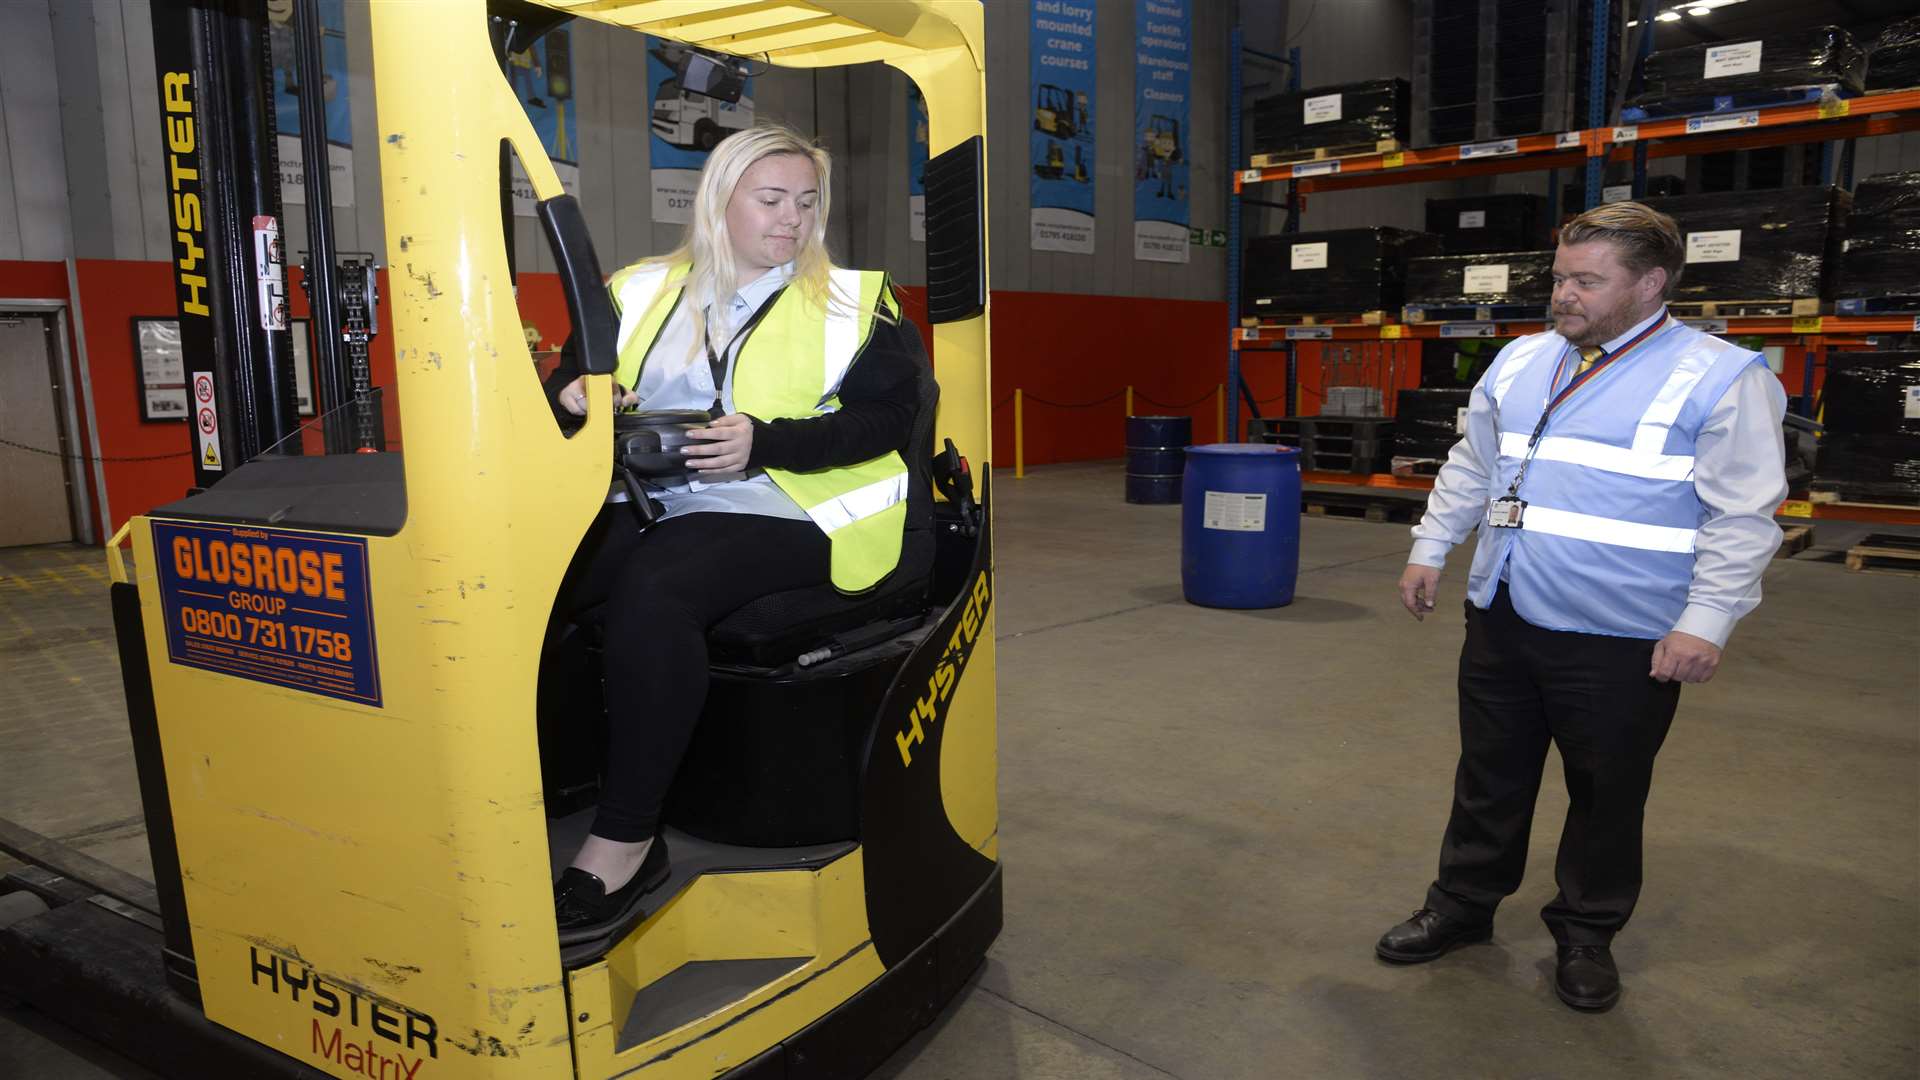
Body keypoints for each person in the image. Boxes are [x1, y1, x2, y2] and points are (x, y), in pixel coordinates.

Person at [1377, 202, 1787, 1011]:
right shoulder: (1524, 360)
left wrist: (1705, 623)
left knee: (1606, 792)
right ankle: (1462, 906)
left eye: (1587, 281)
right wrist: (1432, 548)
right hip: (1502, 612)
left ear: (1651, 282)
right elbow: (1474, 463)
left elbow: (1744, 516)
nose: (1564, 294)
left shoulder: (1720, 377)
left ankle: (1586, 933)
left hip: (1622, 634)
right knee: (1488, 777)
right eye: (1561, 276)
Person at [541, 123, 927, 945]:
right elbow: (564, 386)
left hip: (797, 503)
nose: (793, 219)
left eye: (807, 201)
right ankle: (541, 781)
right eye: (773, 198)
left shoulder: (858, 299)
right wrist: (573, 398)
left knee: (659, 585)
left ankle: (626, 840)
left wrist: (769, 440)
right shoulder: (640, 289)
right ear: (721, 201)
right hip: (653, 497)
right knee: (532, 579)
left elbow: (891, 419)